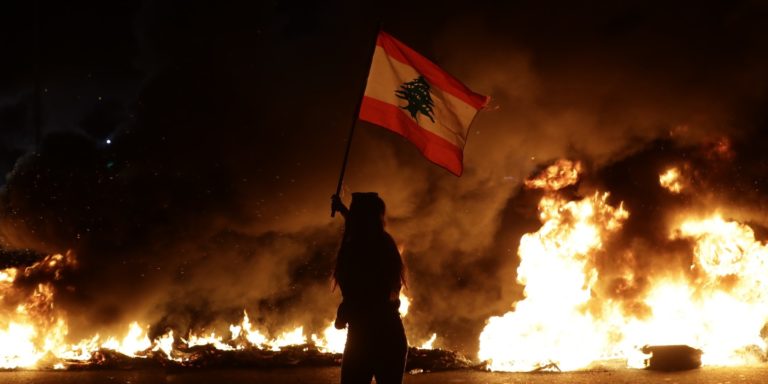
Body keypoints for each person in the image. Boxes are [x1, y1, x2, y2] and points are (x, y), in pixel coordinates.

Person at [331, 192, 408, 384]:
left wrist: (342, 316)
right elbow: (361, 229)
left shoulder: (355, 250)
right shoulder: (384, 243)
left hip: (363, 339)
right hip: (390, 336)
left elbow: (362, 297)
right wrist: (343, 211)